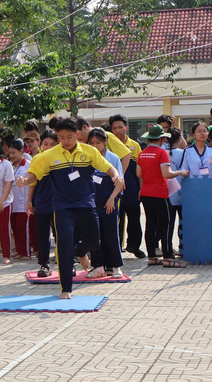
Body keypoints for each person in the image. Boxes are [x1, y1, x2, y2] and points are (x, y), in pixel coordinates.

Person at [17, 117, 123, 299]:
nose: (65, 141)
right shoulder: (48, 156)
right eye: (61, 138)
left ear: (77, 135)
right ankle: (66, 288)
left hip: (87, 205)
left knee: (93, 242)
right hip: (62, 207)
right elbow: (34, 174)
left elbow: (108, 167)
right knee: (64, 244)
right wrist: (25, 180)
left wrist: (115, 176)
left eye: (69, 137)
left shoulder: (90, 152)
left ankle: (80, 252)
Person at [137, 124, 189, 268]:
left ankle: (152, 257)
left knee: (150, 224)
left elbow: (138, 174)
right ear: (161, 139)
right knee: (165, 225)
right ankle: (167, 257)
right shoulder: (162, 153)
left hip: (146, 194)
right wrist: (180, 172)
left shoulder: (142, 153)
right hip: (160, 193)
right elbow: (166, 174)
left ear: (148, 140)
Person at [86, 128, 125, 279]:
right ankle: (98, 266)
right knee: (95, 236)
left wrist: (112, 199)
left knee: (111, 235)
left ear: (105, 142)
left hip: (109, 202)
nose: (95, 146)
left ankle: (115, 267)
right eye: (92, 143)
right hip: (92, 203)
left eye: (98, 143)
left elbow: (119, 181)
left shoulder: (113, 158)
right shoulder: (87, 157)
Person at [108, 114, 145, 258]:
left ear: (126, 128)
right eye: (114, 128)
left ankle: (134, 246)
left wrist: (141, 188)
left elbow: (140, 171)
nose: (117, 131)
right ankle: (115, 248)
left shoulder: (135, 146)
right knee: (115, 219)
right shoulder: (108, 145)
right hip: (113, 188)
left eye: (120, 127)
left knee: (134, 219)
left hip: (131, 188)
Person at [26, 129, 58, 277]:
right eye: (46, 144)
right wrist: (29, 202)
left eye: (53, 144)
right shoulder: (36, 159)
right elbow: (32, 182)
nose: (49, 147)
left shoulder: (62, 158)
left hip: (60, 202)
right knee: (43, 235)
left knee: (62, 235)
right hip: (42, 202)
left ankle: (68, 263)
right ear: (40, 144)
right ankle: (44, 265)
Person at [8, 139, 35, 260]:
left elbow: (32, 182)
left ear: (21, 151)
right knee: (15, 228)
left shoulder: (28, 164)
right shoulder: (10, 166)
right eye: (10, 153)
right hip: (13, 203)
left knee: (24, 228)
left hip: (24, 202)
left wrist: (30, 202)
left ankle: (26, 253)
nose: (12, 156)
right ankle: (19, 250)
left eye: (14, 153)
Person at [166, 128, 184, 255]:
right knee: (183, 222)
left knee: (168, 223)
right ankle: (183, 247)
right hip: (182, 193)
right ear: (179, 139)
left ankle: (167, 248)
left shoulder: (161, 152)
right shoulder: (184, 153)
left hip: (166, 193)